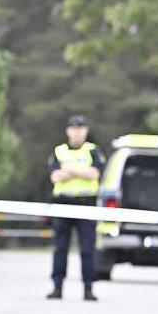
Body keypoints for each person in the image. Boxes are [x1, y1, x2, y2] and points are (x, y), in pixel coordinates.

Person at [47, 115, 105, 301]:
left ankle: (88, 288)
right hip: (63, 204)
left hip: (86, 204)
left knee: (87, 249)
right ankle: (57, 287)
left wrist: (70, 170)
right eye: (74, 128)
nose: (77, 131)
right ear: (68, 131)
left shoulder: (93, 151)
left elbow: (94, 174)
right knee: (60, 248)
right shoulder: (59, 151)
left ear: (86, 130)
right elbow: (55, 177)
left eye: (81, 128)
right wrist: (81, 171)